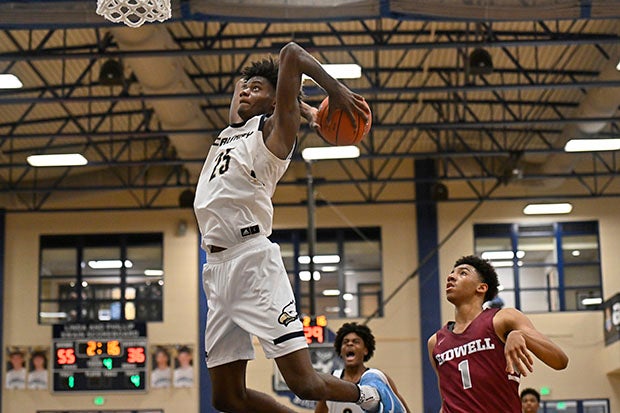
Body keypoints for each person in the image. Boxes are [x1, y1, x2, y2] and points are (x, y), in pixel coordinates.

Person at [193, 42, 398, 413]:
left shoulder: (276, 135)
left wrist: (333, 91)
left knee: (303, 382)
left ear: (275, 103)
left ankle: (371, 396)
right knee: (226, 398)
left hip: (252, 263)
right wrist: (304, 107)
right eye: (246, 86)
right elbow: (247, 84)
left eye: (256, 88)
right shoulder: (233, 128)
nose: (245, 91)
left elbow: (291, 54)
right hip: (216, 269)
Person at [427, 255, 569, 413]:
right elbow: (446, 402)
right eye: (452, 273)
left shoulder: (503, 319)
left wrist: (519, 334)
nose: (451, 276)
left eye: (463, 273)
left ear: (481, 287)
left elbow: (560, 360)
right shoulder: (435, 342)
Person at [315, 323, 410, 413]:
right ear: (340, 350)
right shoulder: (332, 379)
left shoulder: (378, 378)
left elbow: (400, 408)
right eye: (345, 342)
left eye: (356, 342)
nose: (350, 344)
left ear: (366, 350)